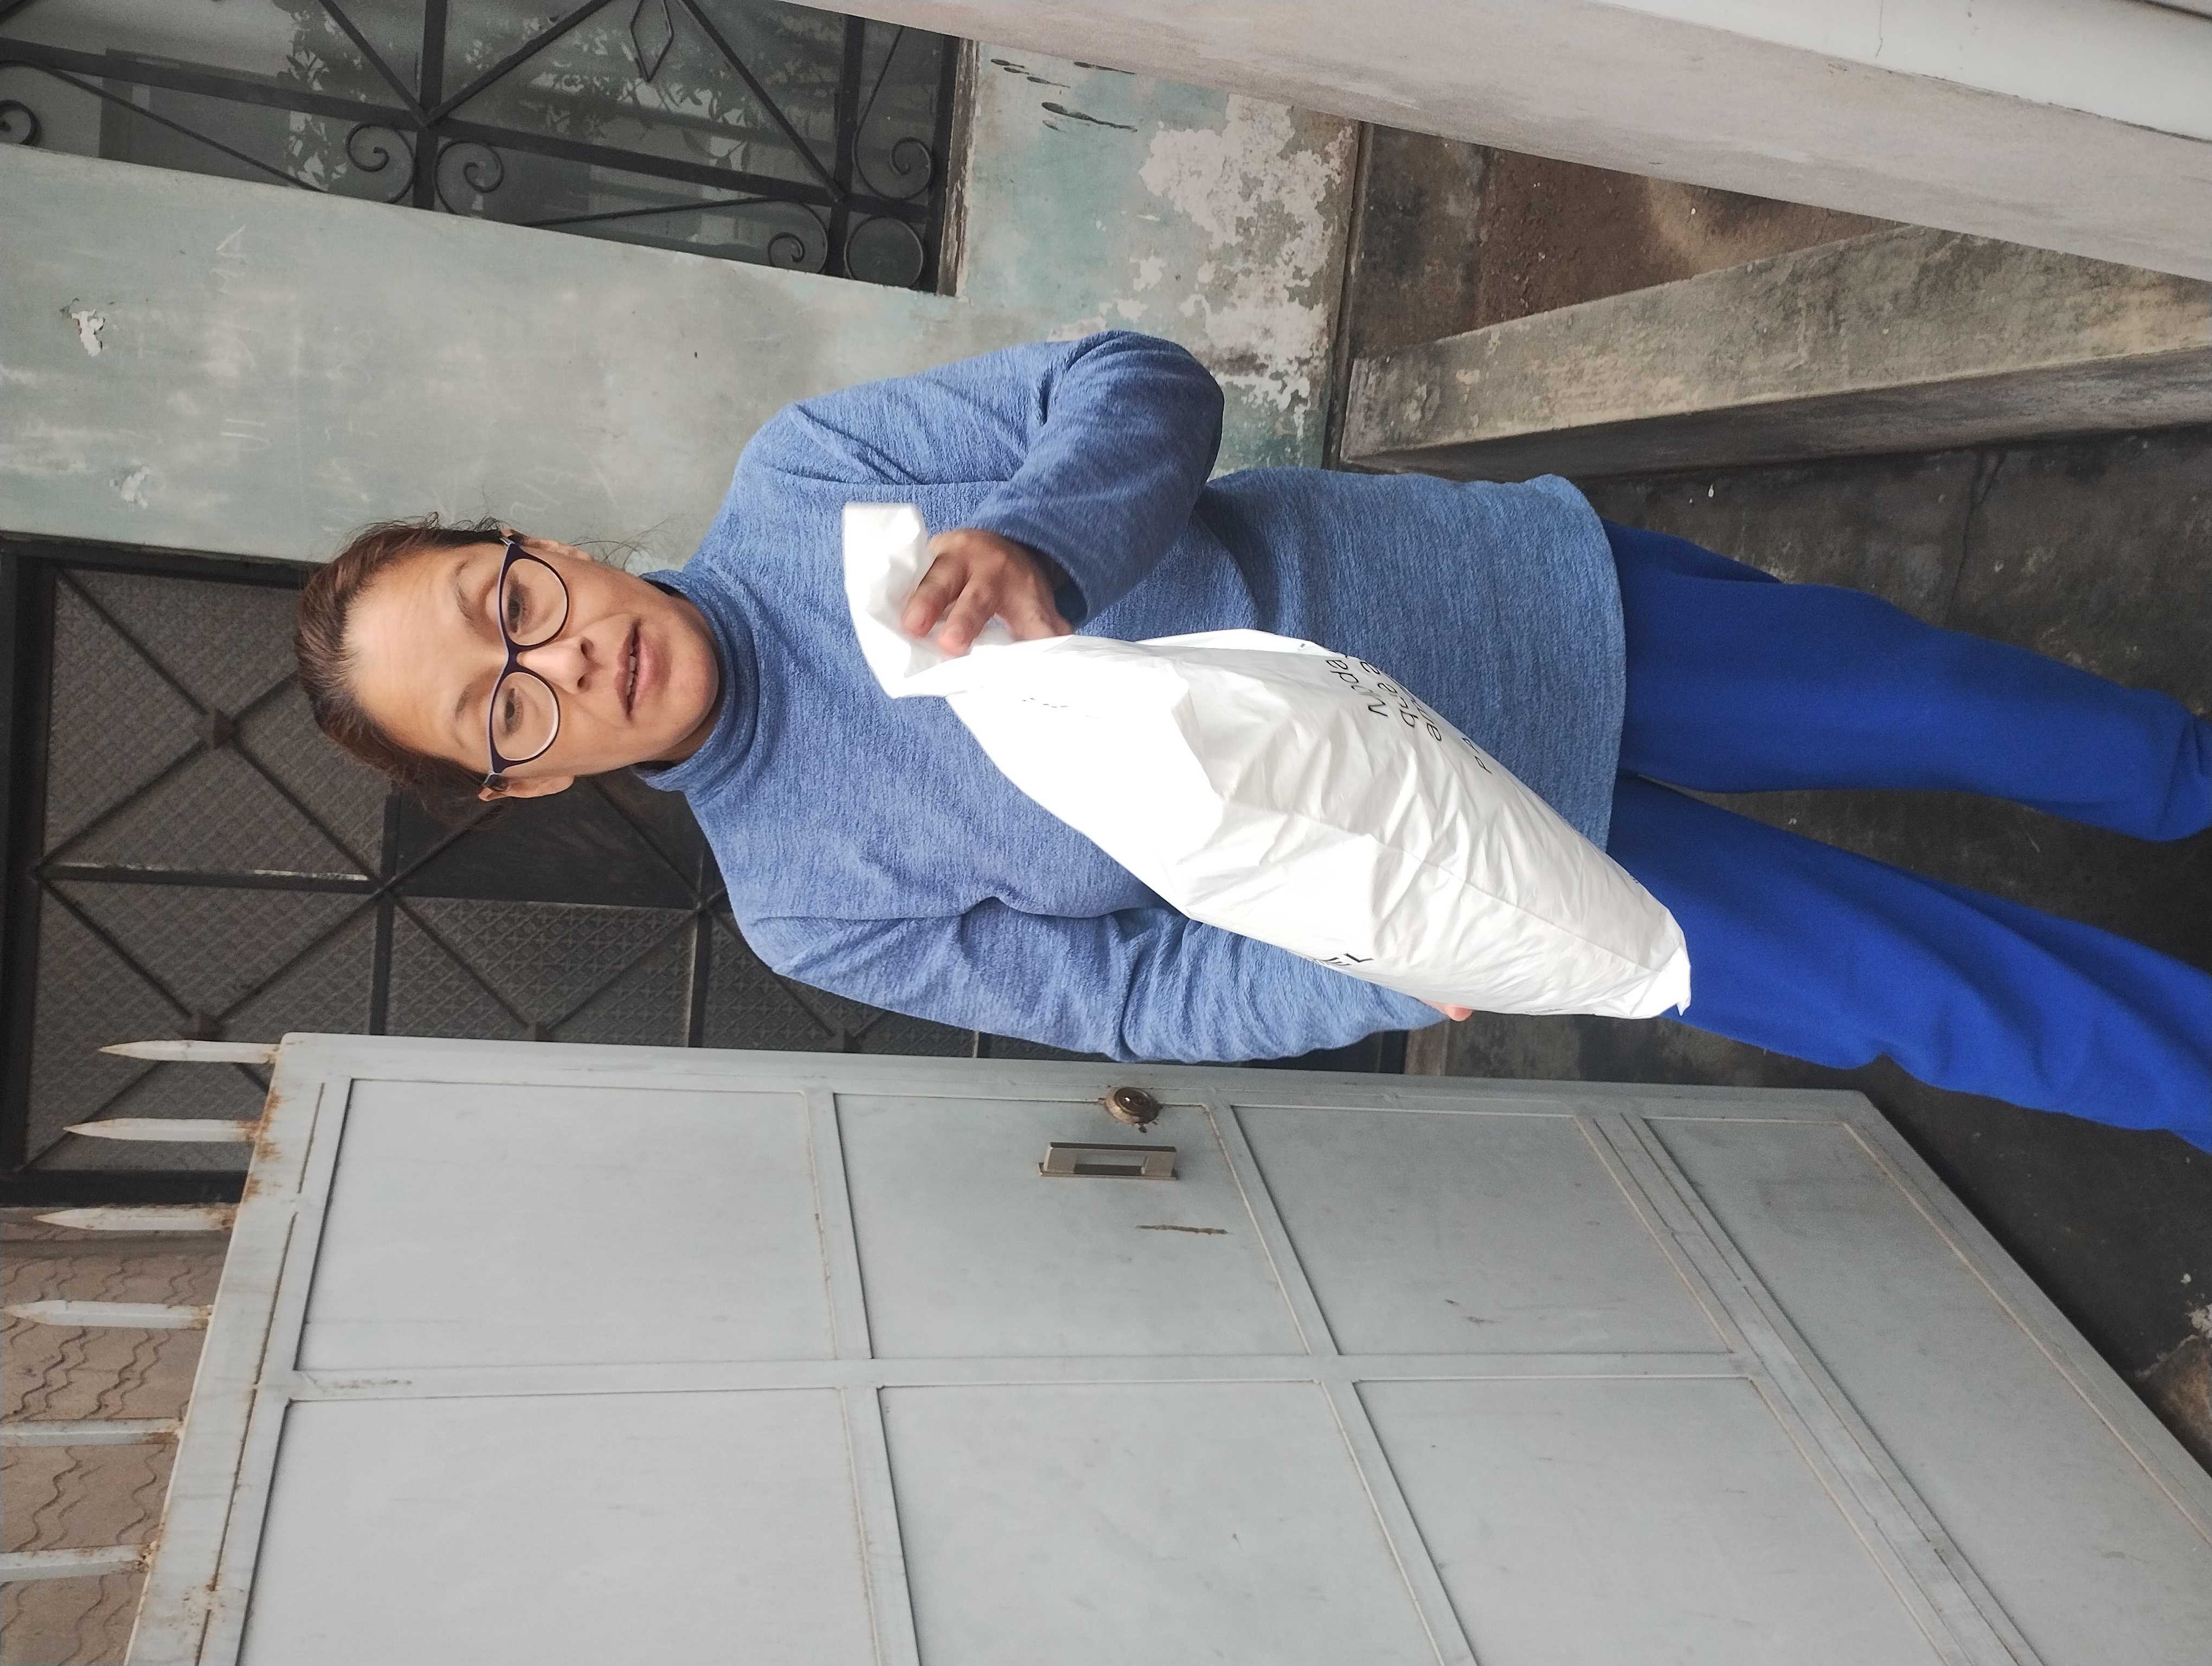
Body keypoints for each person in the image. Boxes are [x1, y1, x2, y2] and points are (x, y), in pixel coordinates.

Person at [294, 332, 2212, 1149]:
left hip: (1530, 618)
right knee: (1937, 997)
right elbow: (1136, 994)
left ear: (535, 543)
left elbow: (1134, 378)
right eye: (506, 704)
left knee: (1965, 708)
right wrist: (1366, 971)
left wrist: (1042, 537)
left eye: (509, 598)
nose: (563, 654)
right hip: (1490, 876)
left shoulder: (813, 474)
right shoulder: (812, 907)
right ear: (521, 781)